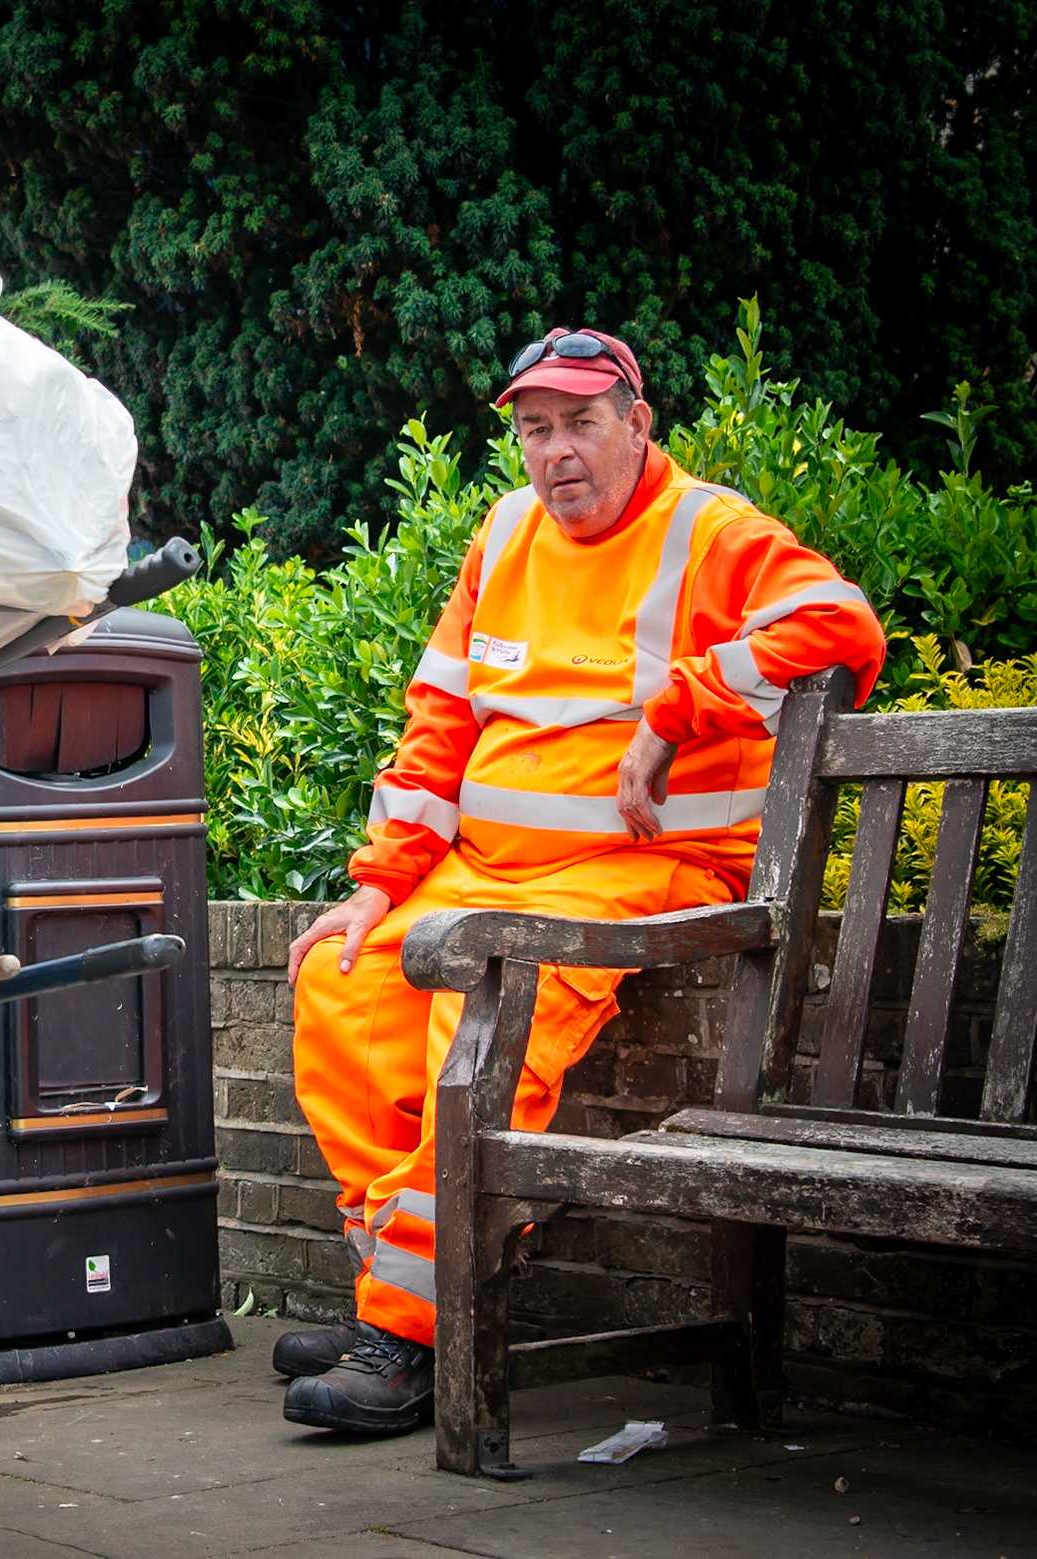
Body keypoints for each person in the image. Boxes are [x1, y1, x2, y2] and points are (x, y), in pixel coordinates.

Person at [274, 328, 887, 1434]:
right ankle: (408, 1291)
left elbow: (840, 626)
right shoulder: (503, 532)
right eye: (534, 429)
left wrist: (678, 707)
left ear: (637, 423)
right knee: (341, 980)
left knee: (481, 999)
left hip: (636, 868)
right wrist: (378, 883)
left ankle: (408, 1340)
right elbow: (440, 721)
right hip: (485, 868)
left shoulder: (712, 527)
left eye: (580, 422)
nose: (555, 451)